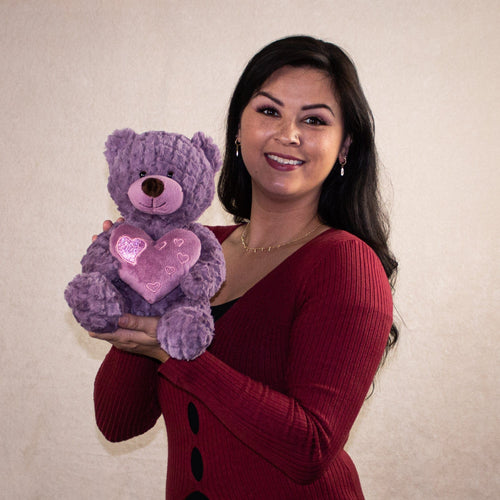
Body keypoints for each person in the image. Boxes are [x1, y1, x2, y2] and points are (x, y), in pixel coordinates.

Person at [90, 35, 398, 499]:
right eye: (269, 111)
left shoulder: (346, 263)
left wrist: (176, 354)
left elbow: (309, 450)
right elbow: (118, 423)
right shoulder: (193, 250)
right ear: (238, 129)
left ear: (344, 148)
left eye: (314, 120)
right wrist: (132, 298)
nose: (287, 134)